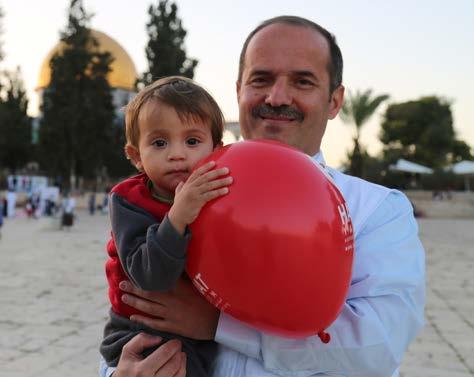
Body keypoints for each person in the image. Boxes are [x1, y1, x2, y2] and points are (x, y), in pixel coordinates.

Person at [101, 16, 425, 377]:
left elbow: (377, 347)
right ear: (239, 90)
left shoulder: (376, 210)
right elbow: (131, 313)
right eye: (261, 79)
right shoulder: (178, 192)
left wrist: (219, 324)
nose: (276, 97)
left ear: (335, 101)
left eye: (303, 82)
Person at [100, 76, 233, 377]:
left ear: (217, 149)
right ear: (136, 156)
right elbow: (149, 277)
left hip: (200, 332)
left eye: (192, 141)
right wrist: (178, 217)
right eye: (159, 143)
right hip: (140, 331)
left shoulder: (218, 195)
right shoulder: (128, 201)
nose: (177, 153)